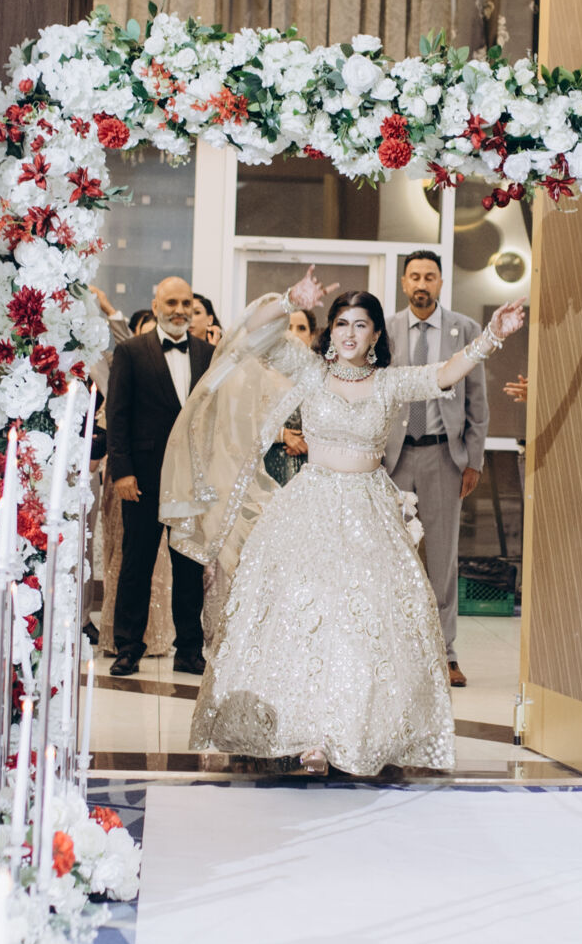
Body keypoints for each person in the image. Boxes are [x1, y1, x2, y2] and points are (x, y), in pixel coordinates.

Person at [163, 267, 526, 775]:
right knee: (303, 620)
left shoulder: (389, 383)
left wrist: (492, 336)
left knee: (361, 627)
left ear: (376, 336)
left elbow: (446, 373)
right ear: (329, 331)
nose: (349, 334)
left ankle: (350, 732)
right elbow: (256, 332)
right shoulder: (309, 370)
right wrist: (291, 299)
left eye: (360, 325)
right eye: (340, 324)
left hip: (369, 512)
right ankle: (303, 733)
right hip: (308, 508)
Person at [384, 251, 489, 688]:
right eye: (414, 277)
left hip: (444, 456)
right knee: (392, 557)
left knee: (442, 559)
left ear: (441, 283)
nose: (421, 284)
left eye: (429, 276)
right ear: (404, 283)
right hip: (394, 458)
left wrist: (473, 459)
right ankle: (393, 652)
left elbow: (477, 399)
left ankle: (445, 655)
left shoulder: (465, 329)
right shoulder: (386, 329)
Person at [104, 276, 215, 676]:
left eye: (186, 303)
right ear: (156, 306)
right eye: (171, 303)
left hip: (191, 481)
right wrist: (122, 472)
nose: (179, 310)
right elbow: (117, 415)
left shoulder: (208, 354)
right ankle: (128, 647)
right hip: (143, 478)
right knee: (137, 564)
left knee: (189, 567)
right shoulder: (131, 351)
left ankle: (189, 649)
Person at [262, 306, 314, 486]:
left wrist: (313, 444)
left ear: (311, 336)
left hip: (312, 467)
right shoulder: (264, 372)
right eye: (288, 327)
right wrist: (281, 435)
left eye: (301, 328)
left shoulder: (321, 376)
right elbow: (245, 421)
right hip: (270, 461)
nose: (294, 334)